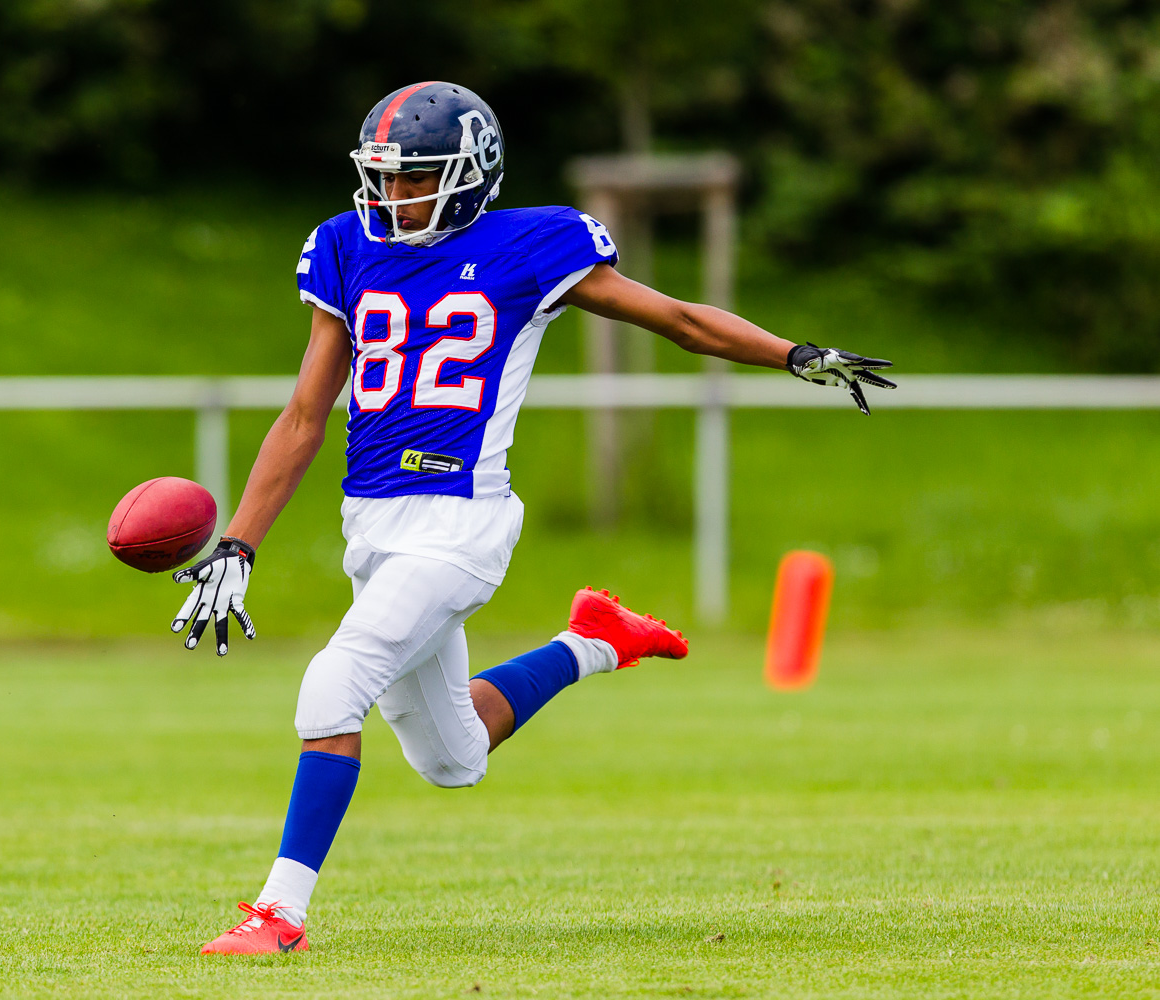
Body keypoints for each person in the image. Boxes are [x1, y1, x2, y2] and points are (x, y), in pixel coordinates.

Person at [169, 81, 896, 955]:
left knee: (334, 682)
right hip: (374, 526)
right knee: (453, 758)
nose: (390, 196)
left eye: (413, 179)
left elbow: (677, 320)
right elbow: (303, 416)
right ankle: (596, 640)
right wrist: (240, 542)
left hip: (462, 523)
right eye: (384, 178)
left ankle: (278, 915)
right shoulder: (344, 244)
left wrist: (794, 354)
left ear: (471, 174)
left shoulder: (533, 243)